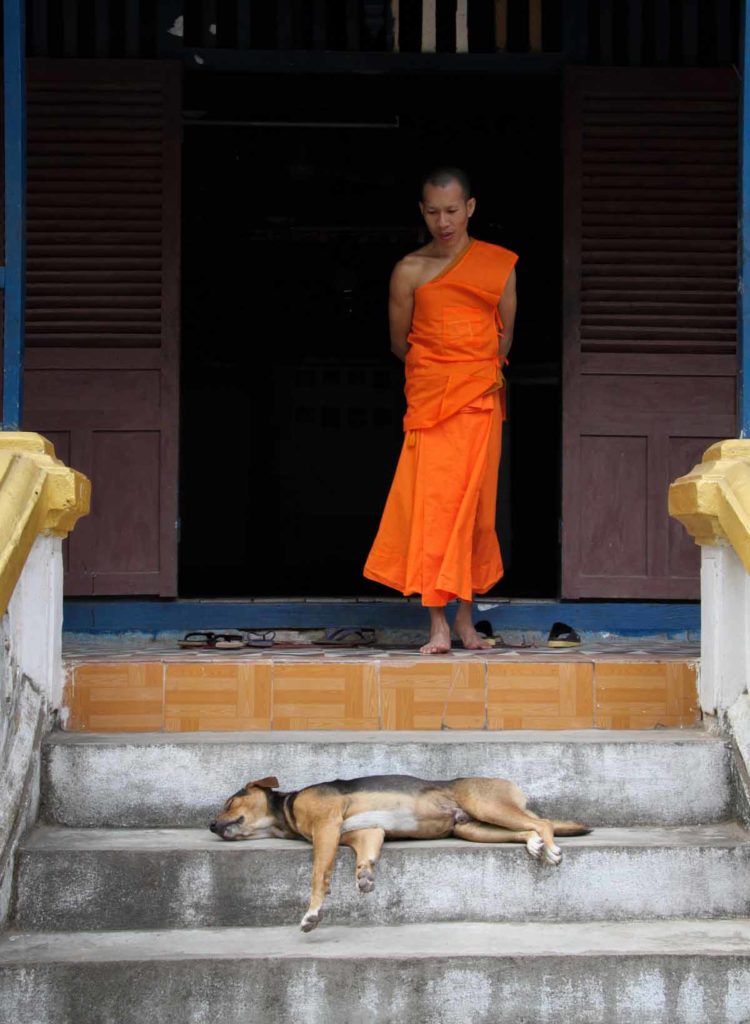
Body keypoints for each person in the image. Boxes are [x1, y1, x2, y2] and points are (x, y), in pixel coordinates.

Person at [363, 167, 517, 655]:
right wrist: (441, 377)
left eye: (452, 210)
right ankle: (436, 626)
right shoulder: (409, 270)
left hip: (479, 403)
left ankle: (468, 623)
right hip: (432, 403)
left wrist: (469, 377)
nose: (443, 221)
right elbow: (398, 343)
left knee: (473, 511)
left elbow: (503, 339)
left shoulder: (498, 265)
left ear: (470, 208)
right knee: (433, 511)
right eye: (433, 212)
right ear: (422, 212)